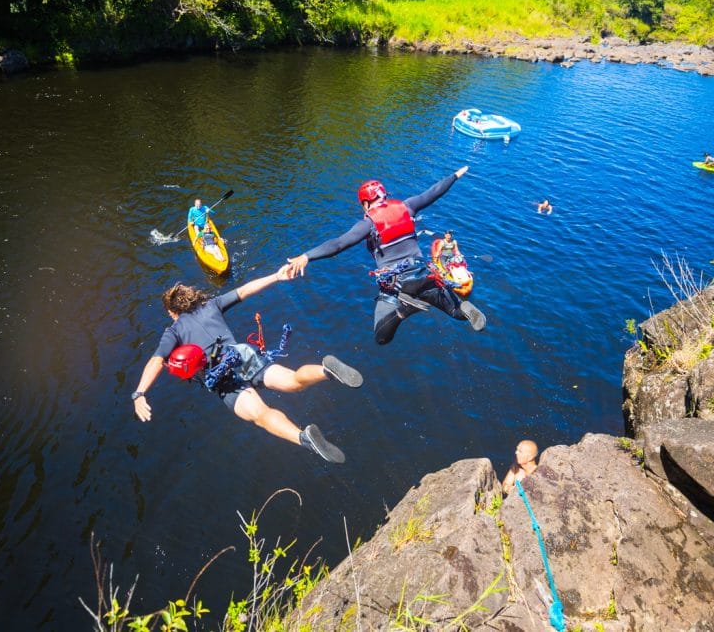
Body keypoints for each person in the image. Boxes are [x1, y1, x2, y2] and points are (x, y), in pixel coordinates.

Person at [131, 266, 363, 463]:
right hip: (243, 355)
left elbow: (156, 361)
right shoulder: (211, 305)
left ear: (172, 312)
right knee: (293, 380)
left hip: (223, 379)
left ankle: (304, 437)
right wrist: (276, 276)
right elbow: (243, 291)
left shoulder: (173, 331)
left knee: (261, 414)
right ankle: (325, 370)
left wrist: (140, 393)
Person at [285, 167, 486, 345]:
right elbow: (432, 193)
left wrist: (307, 256)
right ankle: (465, 307)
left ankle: (402, 310)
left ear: (365, 204)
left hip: (395, 284)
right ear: (384, 196)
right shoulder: (407, 207)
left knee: (381, 337)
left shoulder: (368, 223)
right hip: (423, 274)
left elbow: (338, 244)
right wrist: (454, 176)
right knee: (457, 313)